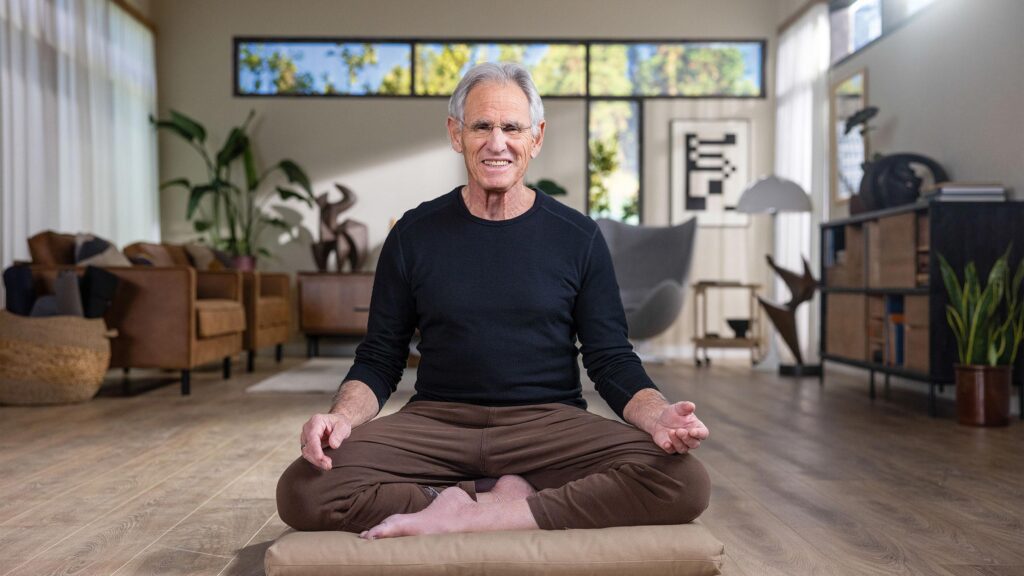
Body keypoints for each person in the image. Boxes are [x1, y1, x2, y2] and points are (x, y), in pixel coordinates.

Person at [276, 62, 711, 540]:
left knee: (684, 481)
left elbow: (610, 359)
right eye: (481, 126)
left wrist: (658, 416)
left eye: (512, 127)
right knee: (303, 488)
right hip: (438, 422)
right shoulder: (413, 235)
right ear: (456, 133)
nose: (497, 142)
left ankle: (484, 512)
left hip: (549, 424)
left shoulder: (578, 237)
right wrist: (340, 417)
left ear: (536, 136)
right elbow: (380, 359)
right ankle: (466, 497)